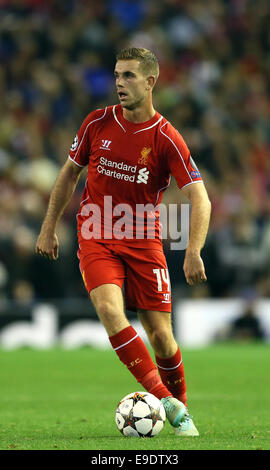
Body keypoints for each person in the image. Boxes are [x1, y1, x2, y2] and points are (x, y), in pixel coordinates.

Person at [36, 48, 211, 436]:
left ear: (151, 82)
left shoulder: (166, 138)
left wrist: (193, 249)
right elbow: (68, 175)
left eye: (129, 76)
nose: (119, 83)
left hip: (144, 240)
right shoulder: (97, 122)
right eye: (117, 75)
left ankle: (181, 410)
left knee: (162, 339)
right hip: (96, 234)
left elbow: (200, 197)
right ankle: (168, 404)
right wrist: (49, 227)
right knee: (110, 311)